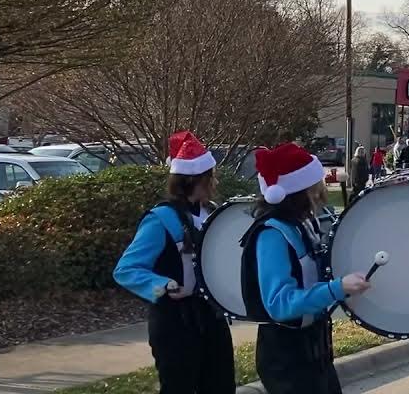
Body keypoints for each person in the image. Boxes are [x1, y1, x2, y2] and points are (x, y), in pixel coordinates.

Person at [240, 142, 371, 394]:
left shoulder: (300, 224)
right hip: (286, 356)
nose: (320, 191)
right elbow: (279, 303)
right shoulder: (273, 234)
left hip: (314, 346)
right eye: (314, 186)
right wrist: (337, 288)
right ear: (299, 191)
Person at [114, 130, 235, 394]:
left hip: (212, 318)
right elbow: (126, 269)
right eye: (210, 176)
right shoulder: (160, 219)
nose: (214, 181)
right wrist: (163, 285)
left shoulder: (213, 212)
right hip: (175, 324)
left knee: (222, 387)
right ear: (196, 179)